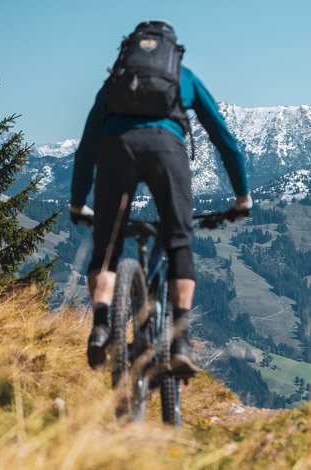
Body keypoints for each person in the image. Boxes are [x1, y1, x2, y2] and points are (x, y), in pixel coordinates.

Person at [69, 20, 251, 376]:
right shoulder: (183, 76)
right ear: (172, 49)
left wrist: (78, 201)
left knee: (107, 248)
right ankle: (181, 342)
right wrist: (242, 195)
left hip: (116, 150)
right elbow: (225, 140)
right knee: (179, 242)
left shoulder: (116, 81)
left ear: (131, 49)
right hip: (167, 151)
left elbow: (87, 147)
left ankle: (102, 325)